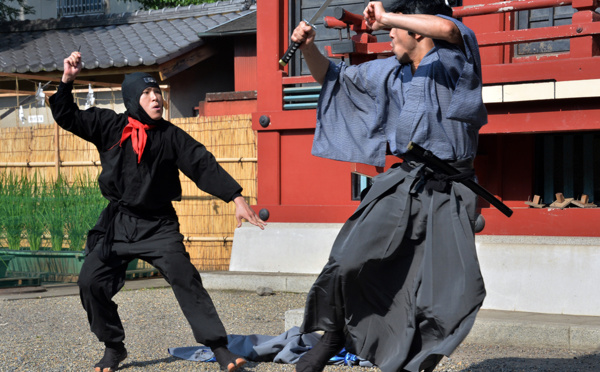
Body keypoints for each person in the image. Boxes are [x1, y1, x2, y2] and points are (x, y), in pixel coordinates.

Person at [290, 1, 487, 371]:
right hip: (405, 180)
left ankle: (415, 364)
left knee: (445, 295)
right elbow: (334, 78)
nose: (388, 33)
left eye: (395, 27)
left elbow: (448, 30)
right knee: (347, 260)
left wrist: (385, 17)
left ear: (418, 30)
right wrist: (308, 47)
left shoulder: (455, 61)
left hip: (450, 188)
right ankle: (333, 334)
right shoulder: (391, 72)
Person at [50, 51, 266, 372]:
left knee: (185, 278)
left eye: (158, 93)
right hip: (118, 223)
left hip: (159, 225)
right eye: (147, 93)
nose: (156, 99)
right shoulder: (109, 126)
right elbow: (67, 115)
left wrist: (235, 197)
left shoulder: (170, 136)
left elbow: (201, 163)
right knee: (90, 282)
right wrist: (67, 80)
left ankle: (219, 349)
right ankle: (113, 346)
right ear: (133, 99)